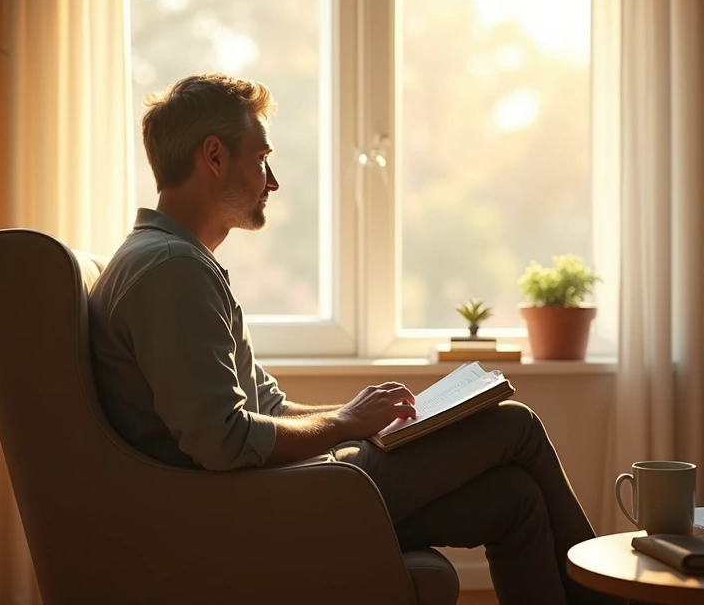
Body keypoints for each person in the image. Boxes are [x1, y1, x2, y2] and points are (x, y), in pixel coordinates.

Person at [88, 73, 611, 605]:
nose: (272, 182)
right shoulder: (172, 268)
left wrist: (363, 419)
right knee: (513, 424)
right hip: (244, 514)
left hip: (258, 496)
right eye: (262, 157)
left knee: (513, 498)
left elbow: (263, 406)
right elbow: (222, 441)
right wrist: (344, 425)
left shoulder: (173, 261)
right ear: (215, 157)